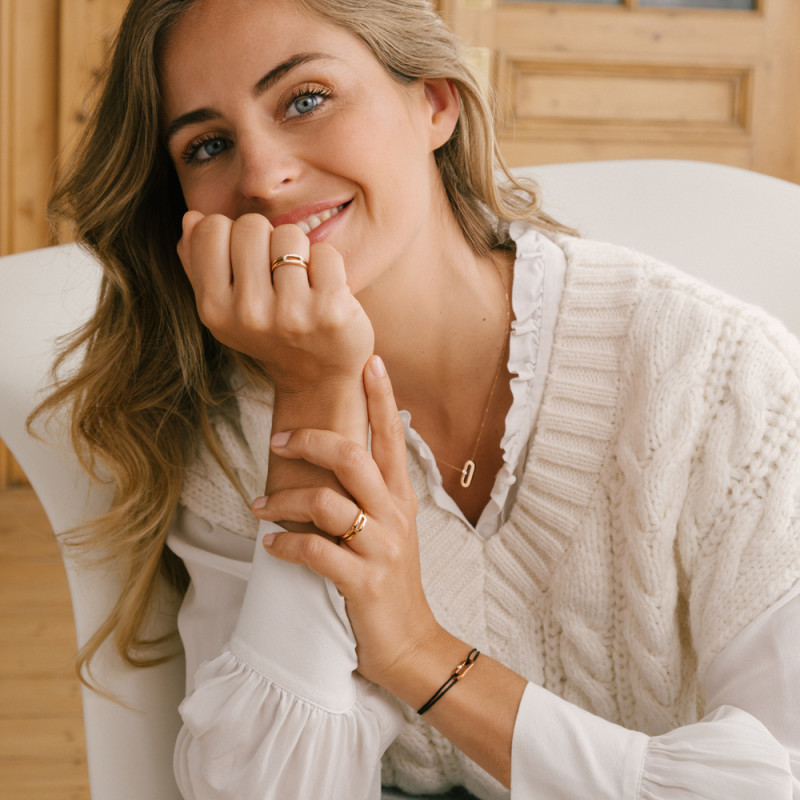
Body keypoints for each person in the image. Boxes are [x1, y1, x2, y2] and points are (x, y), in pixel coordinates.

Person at [38, 0, 799, 797]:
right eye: (210, 144)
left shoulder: (716, 379)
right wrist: (312, 397)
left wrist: (417, 654)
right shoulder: (235, 424)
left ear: (435, 100)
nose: (261, 176)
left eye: (304, 98)